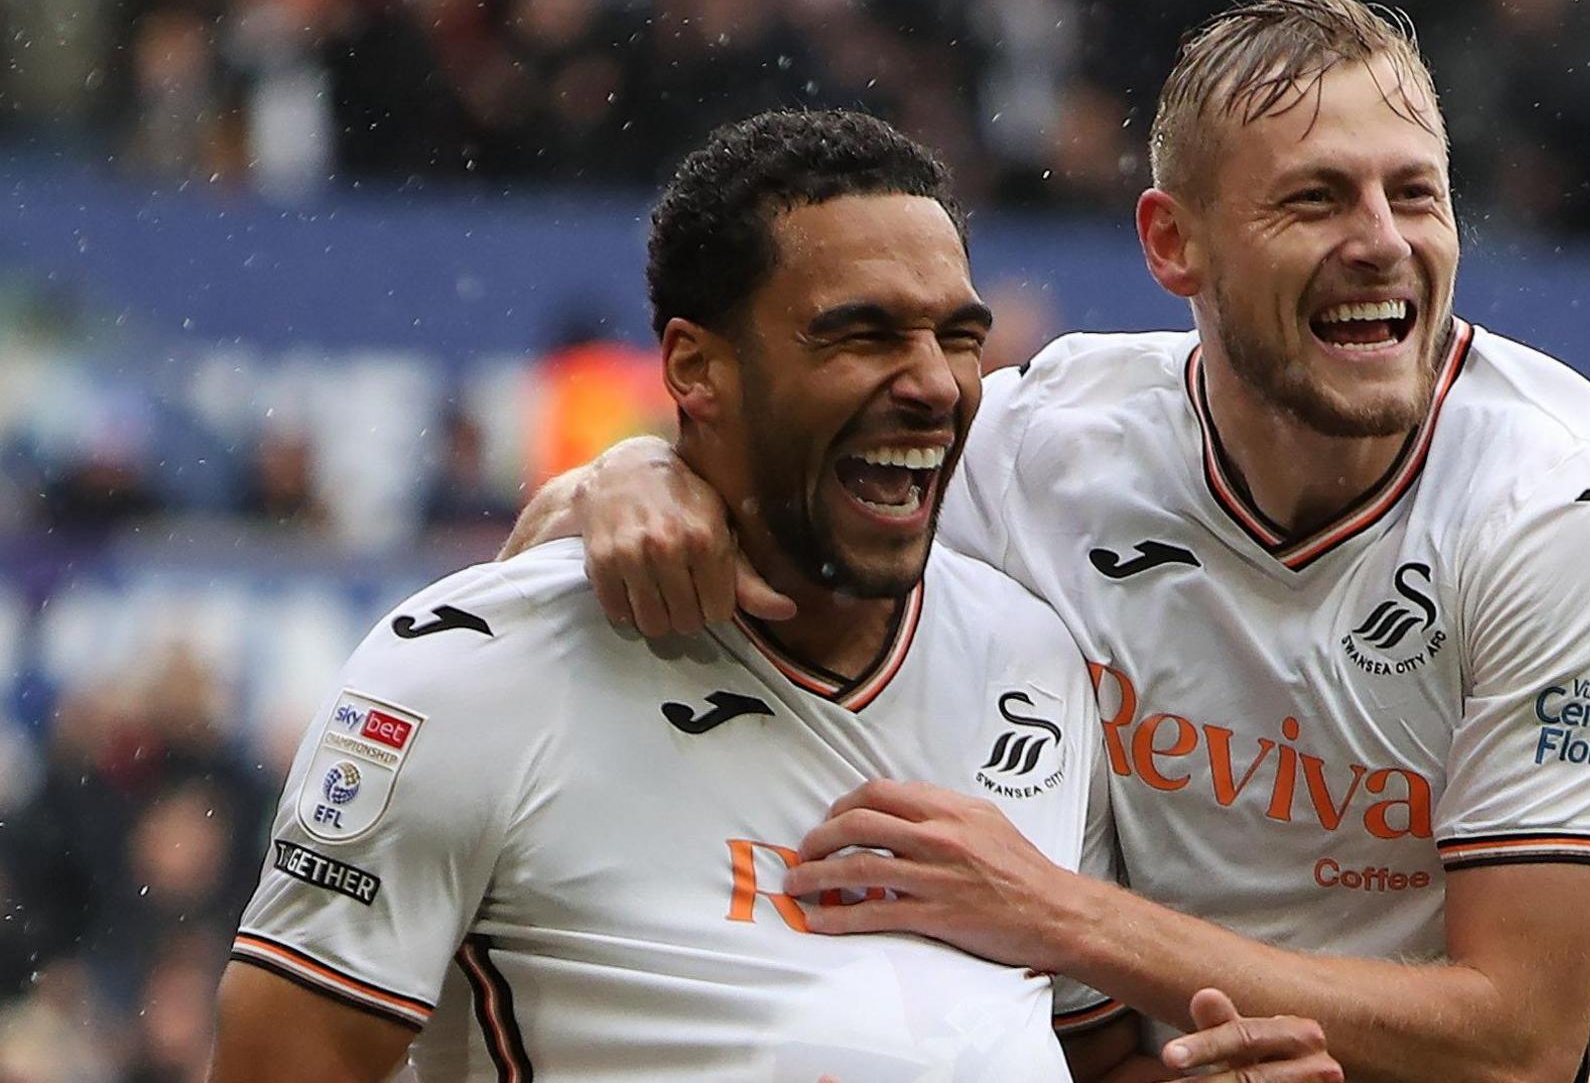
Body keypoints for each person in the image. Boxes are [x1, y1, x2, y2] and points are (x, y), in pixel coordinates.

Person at [511, 0, 1590, 1083]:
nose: (1382, 239)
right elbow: (731, 479)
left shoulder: (1561, 515)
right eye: (1315, 196)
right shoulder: (1039, 450)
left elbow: (1522, 1038)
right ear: (1172, 243)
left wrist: (1059, 916)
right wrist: (632, 476)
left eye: (1414, 193)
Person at [210, 110, 1338, 1083]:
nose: (932, 384)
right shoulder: (468, 675)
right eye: (860, 335)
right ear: (696, 370)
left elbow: (1073, 1056)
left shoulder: (1029, 658)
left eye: (956, 337)